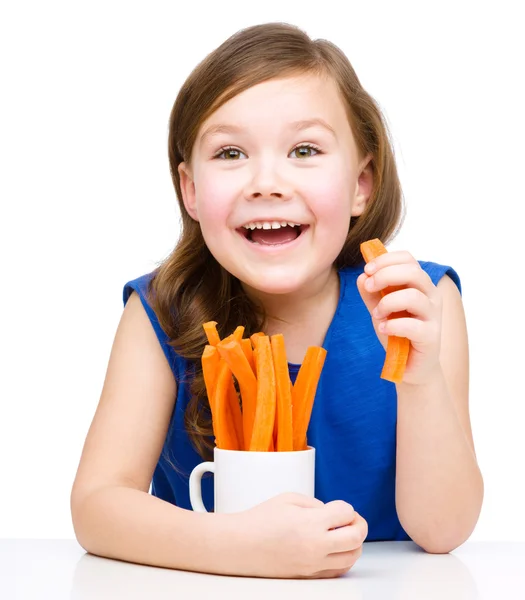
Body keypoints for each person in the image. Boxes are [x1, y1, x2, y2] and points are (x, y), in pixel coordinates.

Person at [70, 22, 484, 579]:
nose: (267, 182)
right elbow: (96, 507)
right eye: (232, 152)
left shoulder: (420, 301)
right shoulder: (159, 311)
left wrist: (422, 377)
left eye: (305, 150)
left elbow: (443, 532)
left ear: (362, 183)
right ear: (191, 190)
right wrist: (239, 547)